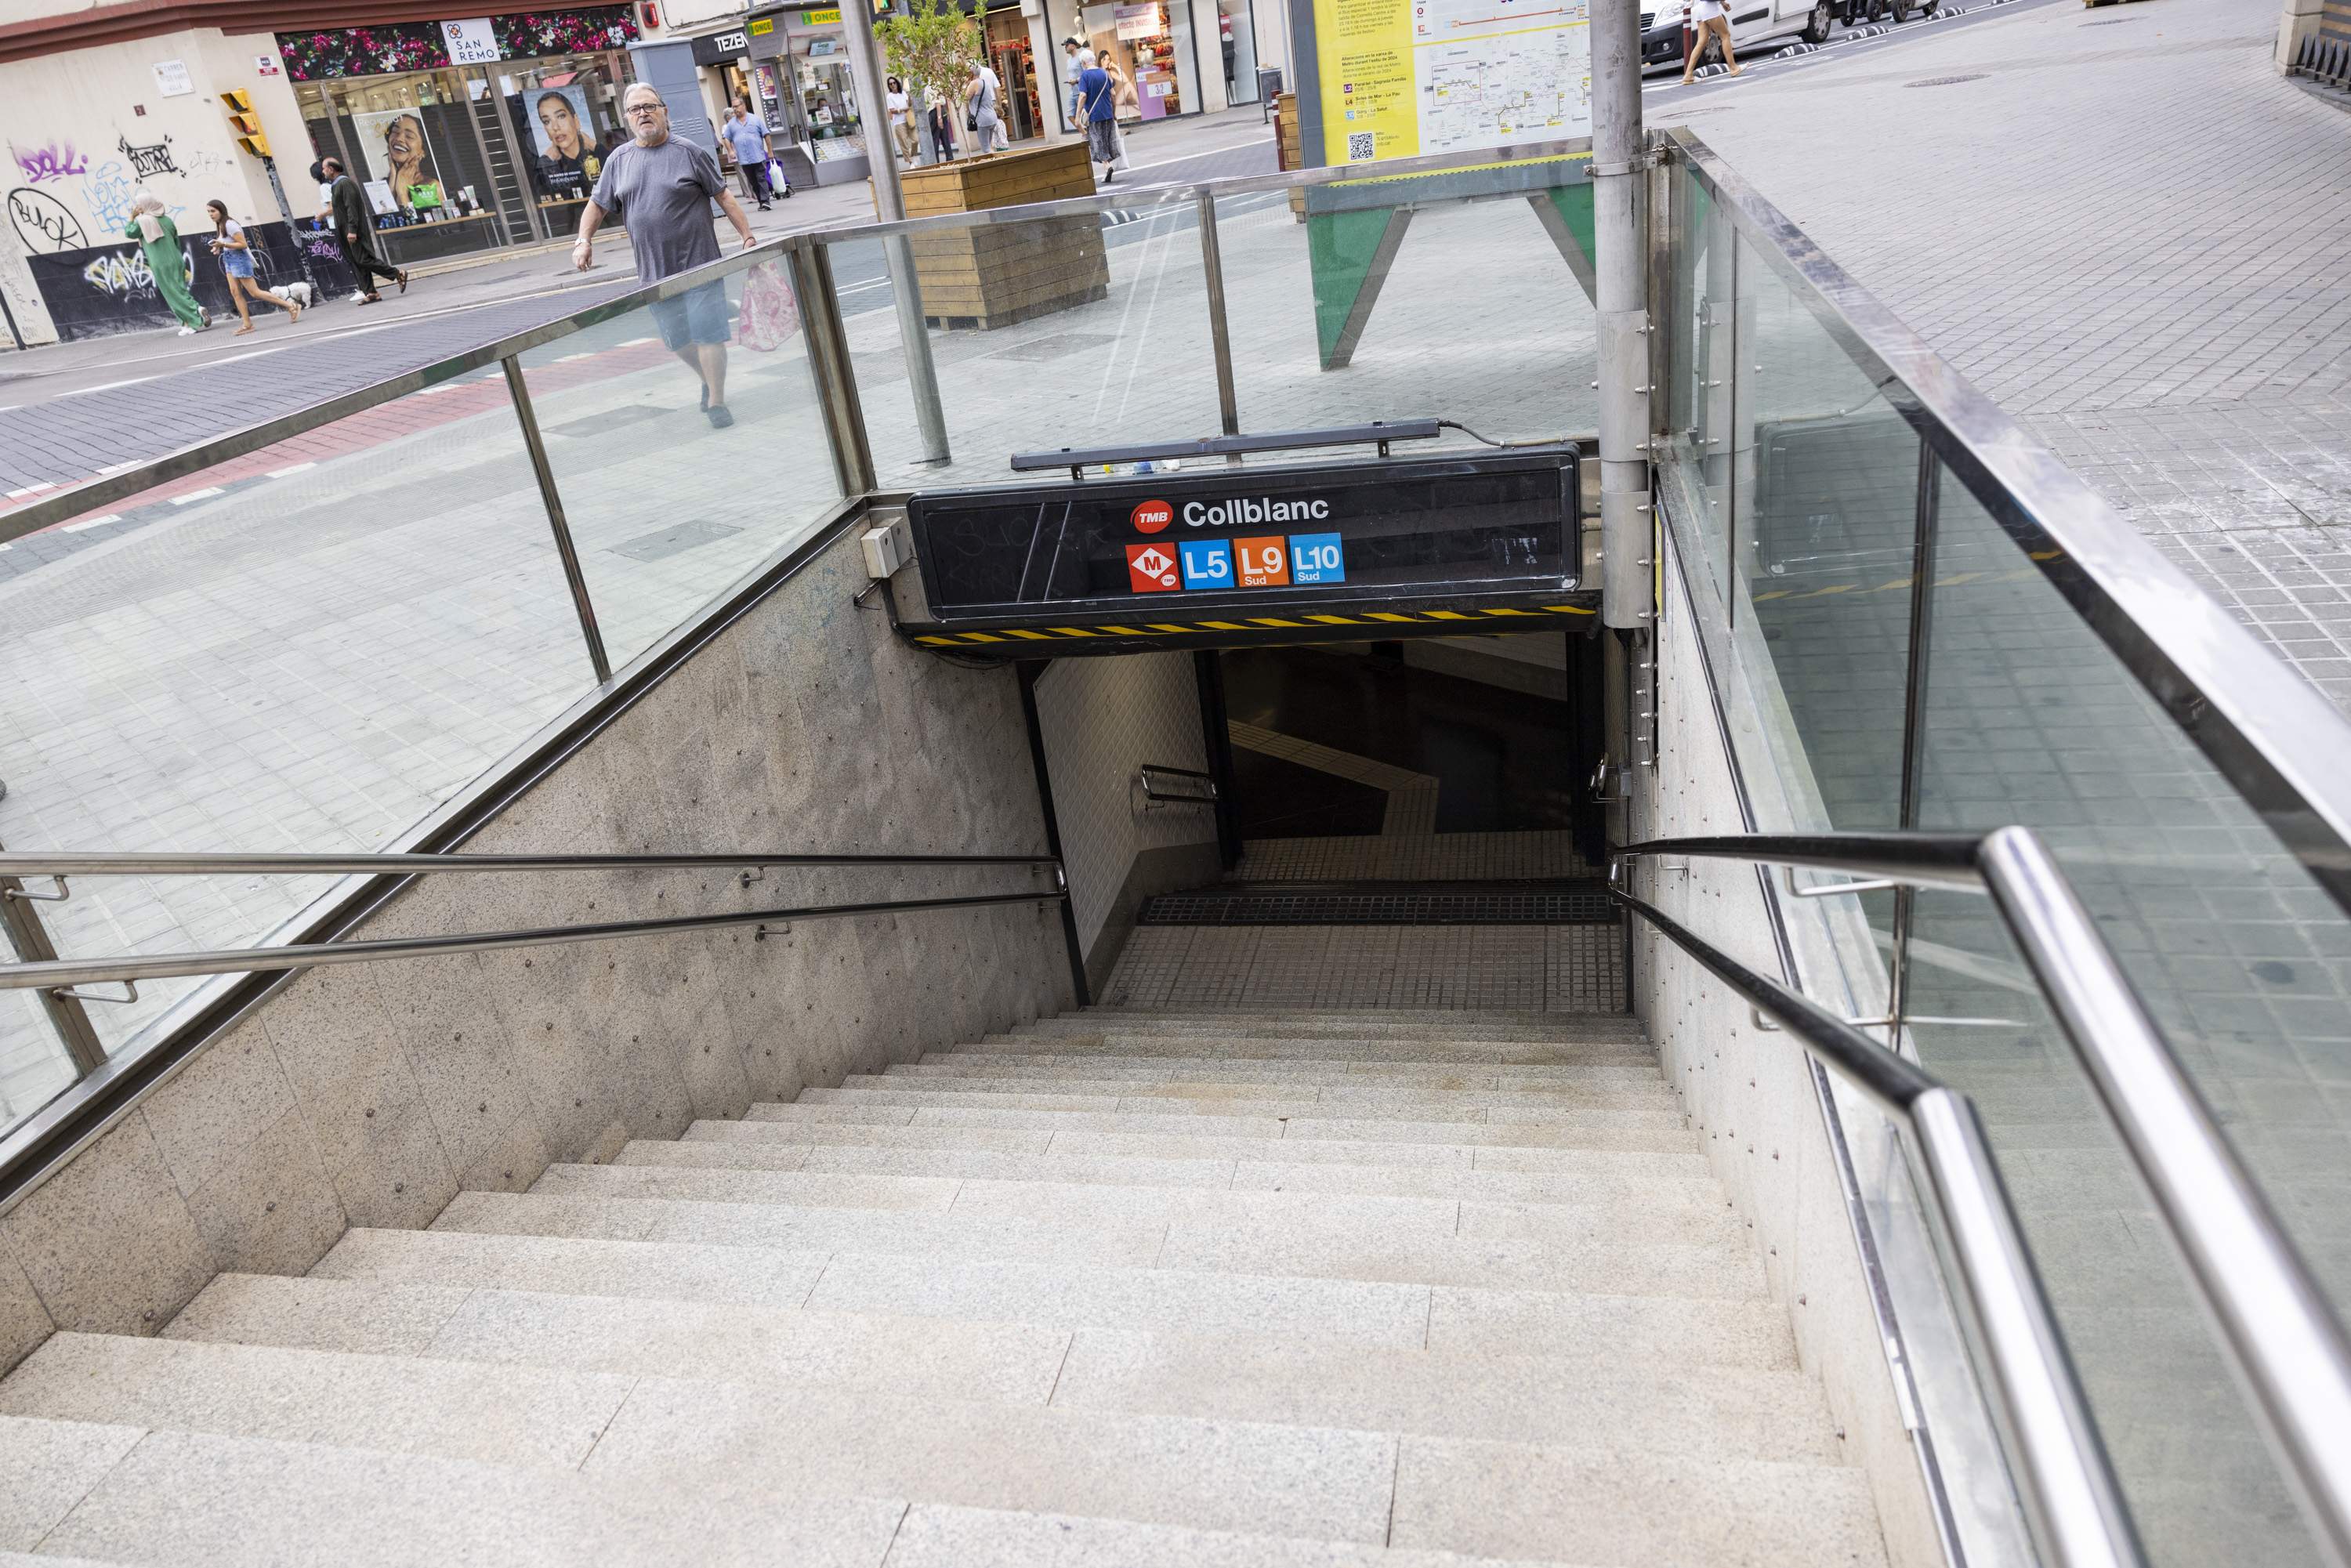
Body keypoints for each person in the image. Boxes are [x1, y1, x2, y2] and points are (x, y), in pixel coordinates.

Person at [574, 83, 758, 429]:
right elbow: (597, 205)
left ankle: (717, 401)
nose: (643, 113)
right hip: (654, 273)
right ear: (627, 118)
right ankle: (707, 378)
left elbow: (725, 197)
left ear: (664, 111)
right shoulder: (619, 160)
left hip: (701, 264)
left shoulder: (689, 152)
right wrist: (583, 240)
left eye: (649, 106)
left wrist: (747, 237)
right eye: (635, 109)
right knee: (678, 341)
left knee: (709, 335)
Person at [204, 200, 300, 334]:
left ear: (221, 210)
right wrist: (217, 247)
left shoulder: (230, 224)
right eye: (208, 211)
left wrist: (224, 245)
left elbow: (243, 244)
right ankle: (247, 325)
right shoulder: (220, 225)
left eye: (213, 211)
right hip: (229, 260)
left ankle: (291, 305)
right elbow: (226, 241)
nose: (210, 214)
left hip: (239, 259)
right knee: (235, 293)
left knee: (255, 292)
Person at [321, 155, 406, 303]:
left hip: (353, 230)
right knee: (356, 261)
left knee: (363, 259)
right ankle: (371, 293)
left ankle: (397, 273)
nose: (323, 172)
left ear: (331, 169)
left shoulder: (345, 184)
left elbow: (351, 208)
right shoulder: (336, 185)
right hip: (344, 230)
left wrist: (352, 230)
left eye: (324, 169)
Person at [122, 192, 207, 335]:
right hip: (176, 258)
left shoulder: (142, 222)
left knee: (171, 293)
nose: (137, 207)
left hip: (160, 262)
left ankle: (196, 310)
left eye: (139, 204)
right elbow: (175, 239)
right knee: (179, 290)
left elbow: (129, 233)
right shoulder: (167, 220)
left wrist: (132, 217)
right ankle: (186, 324)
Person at [533, 91, 608, 199]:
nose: (555, 127)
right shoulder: (549, 163)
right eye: (547, 121)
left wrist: (594, 145)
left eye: (561, 116)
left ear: (576, 120)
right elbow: (543, 192)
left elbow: (618, 173)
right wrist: (546, 159)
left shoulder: (596, 153)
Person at [722, 100, 775, 211]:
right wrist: (730, 150)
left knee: (761, 178)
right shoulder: (731, 124)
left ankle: (766, 201)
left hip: (757, 156)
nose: (735, 109)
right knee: (753, 182)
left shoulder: (755, 119)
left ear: (743, 106)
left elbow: (766, 135)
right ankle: (762, 202)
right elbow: (726, 138)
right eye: (733, 107)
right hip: (744, 159)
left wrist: (770, 151)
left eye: (737, 106)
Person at [1076, 51, 1118, 184]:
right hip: (1107, 113)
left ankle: (1107, 166)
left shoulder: (1085, 75)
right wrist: (1114, 112)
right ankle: (1107, 170)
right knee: (1105, 141)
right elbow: (1113, 94)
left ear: (1083, 63)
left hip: (1094, 116)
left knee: (1096, 143)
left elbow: (1083, 96)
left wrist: (1077, 116)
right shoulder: (1104, 73)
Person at [1681, 0, 1741, 81]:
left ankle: (1688, 74)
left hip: (1701, 9)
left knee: (1701, 42)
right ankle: (1733, 68)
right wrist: (1723, 2)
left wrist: (1723, 3)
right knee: (1725, 36)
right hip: (1710, 9)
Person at [965, 58, 1004, 155]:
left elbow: (965, 98)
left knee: (986, 149)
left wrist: (965, 85)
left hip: (983, 120)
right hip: (992, 117)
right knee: (989, 146)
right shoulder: (984, 82)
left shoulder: (973, 84)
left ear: (971, 73)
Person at [886, 76, 916, 164]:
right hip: (899, 123)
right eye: (890, 84)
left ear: (897, 83)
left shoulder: (903, 93)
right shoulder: (889, 97)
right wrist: (902, 109)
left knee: (915, 140)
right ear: (889, 86)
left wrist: (910, 95)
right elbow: (892, 111)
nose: (892, 85)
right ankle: (911, 162)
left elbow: (909, 104)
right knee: (904, 143)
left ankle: (913, 156)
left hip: (908, 120)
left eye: (894, 83)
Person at [925, 85, 958, 161]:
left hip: (936, 113)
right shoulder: (936, 81)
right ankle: (950, 160)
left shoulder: (931, 83)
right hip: (941, 111)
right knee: (945, 138)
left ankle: (936, 163)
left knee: (935, 140)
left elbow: (937, 102)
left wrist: (939, 118)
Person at [1063, 37, 1089, 125]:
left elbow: (1086, 73)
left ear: (1073, 46)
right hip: (1072, 91)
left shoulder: (1080, 57)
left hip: (1081, 91)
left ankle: (1090, 134)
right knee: (1070, 115)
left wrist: (1076, 80)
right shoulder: (1068, 61)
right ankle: (1085, 133)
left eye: (1066, 45)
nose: (1065, 47)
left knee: (1084, 116)